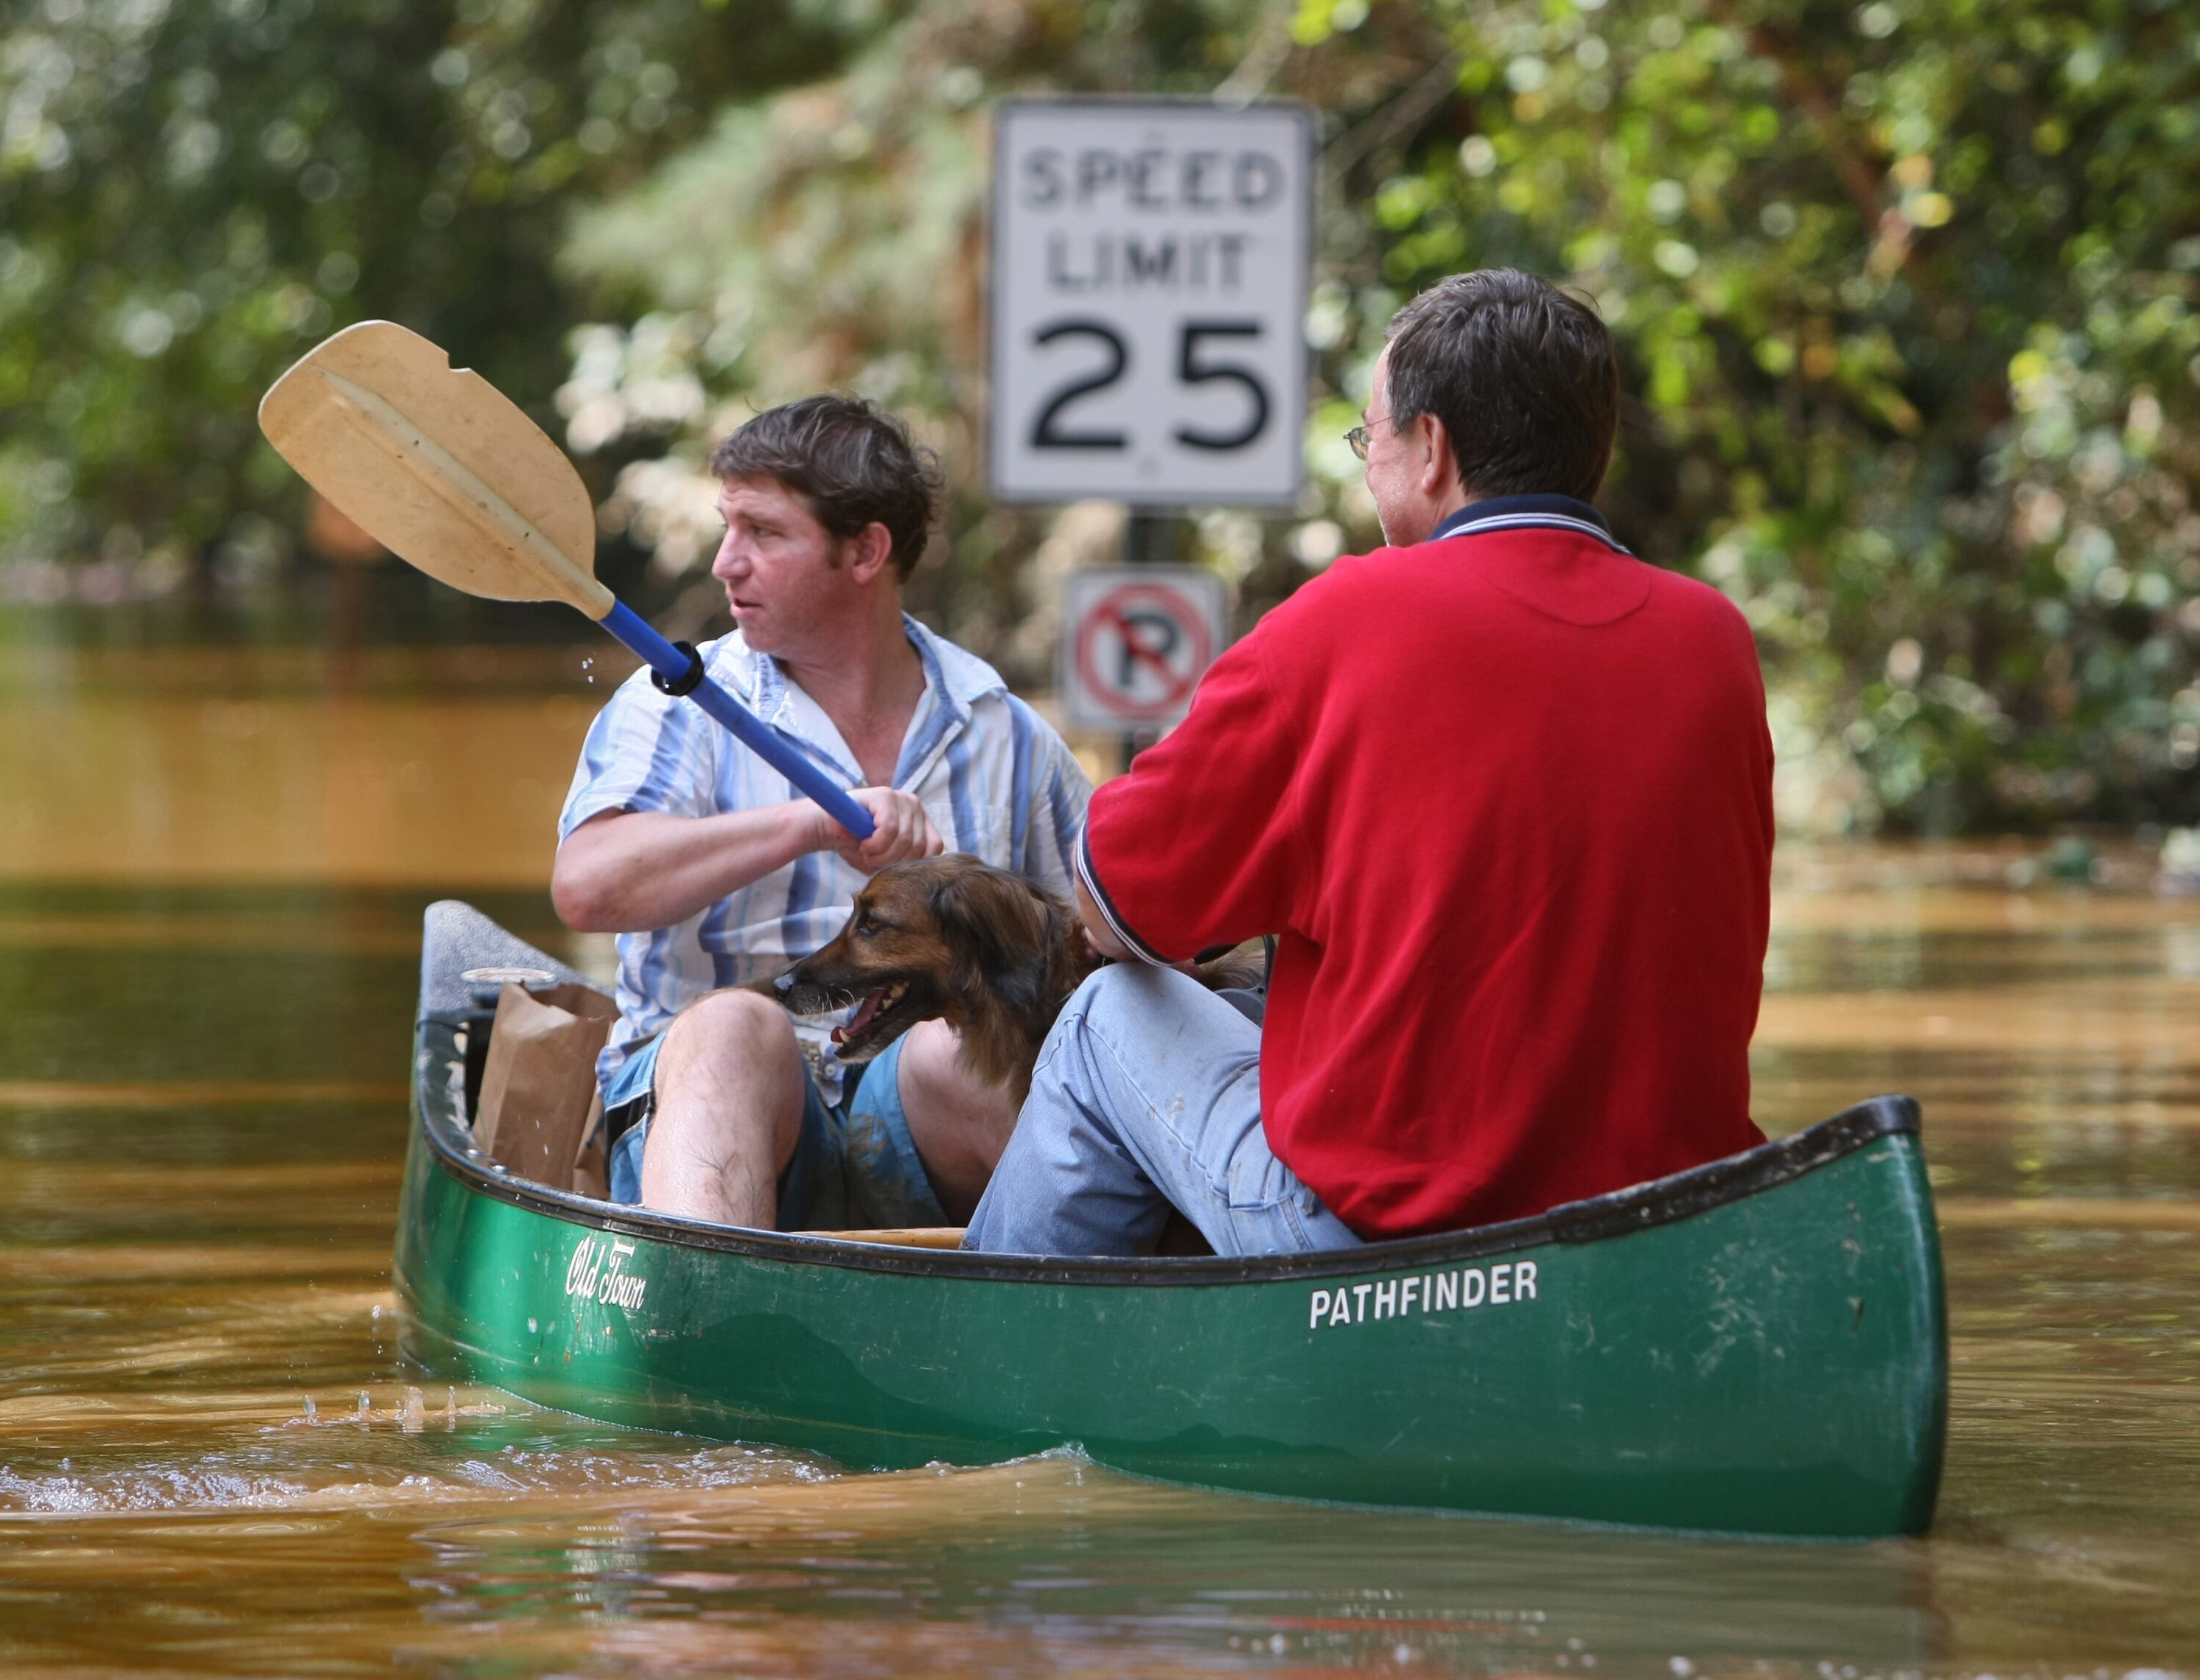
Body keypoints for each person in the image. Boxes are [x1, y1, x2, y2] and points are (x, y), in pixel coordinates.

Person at [964, 270, 1773, 1257]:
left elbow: (1113, 901)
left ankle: (994, 1359)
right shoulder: (1714, 642)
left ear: (1431, 449)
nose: (1367, 468)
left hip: (1388, 1239)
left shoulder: (1345, 620)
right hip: (1657, 1226)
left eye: (1370, 439)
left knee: (1104, 1014)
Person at [554, 396, 1091, 1230]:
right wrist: (804, 823)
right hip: (715, 1101)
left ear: (865, 550)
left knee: (988, 1044)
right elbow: (586, 890)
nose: (726, 564)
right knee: (737, 1026)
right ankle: (707, 1314)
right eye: (728, 528)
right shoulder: (675, 704)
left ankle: (1081, 1312)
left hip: (919, 1125)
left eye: (763, 533)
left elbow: (1095, 946)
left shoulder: (1006, 734)